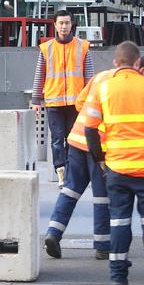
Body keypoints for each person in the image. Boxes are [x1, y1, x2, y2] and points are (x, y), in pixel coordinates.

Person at [85, 41, 144, 285]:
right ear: (137, 63)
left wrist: (100, 159)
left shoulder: (102, 88)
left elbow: (90, 128)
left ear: (116, 63)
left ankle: (118, 276)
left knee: (119, 222)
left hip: (116, 166)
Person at [44, 68, 114, 260]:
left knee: (69, 190)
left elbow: (80, 103)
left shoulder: (100, 76)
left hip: (77, 140)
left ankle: (53, 233)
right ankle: (103, 245)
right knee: (102, 196)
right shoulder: (127, 85)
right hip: (99, 146)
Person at [32, 9, 94, 187]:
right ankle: (61, 173)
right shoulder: (47, 48)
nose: (64, 26)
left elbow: (90, 77)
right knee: (57, 139)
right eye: (61, 23)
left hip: (76, 103)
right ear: (55, 25)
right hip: (54, 101)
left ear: (71, 24)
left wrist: (91, 101)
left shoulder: (83, 47)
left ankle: (72, 174)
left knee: (73, 140)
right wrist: (36, 101)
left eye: (67, 23)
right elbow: (39, 74)